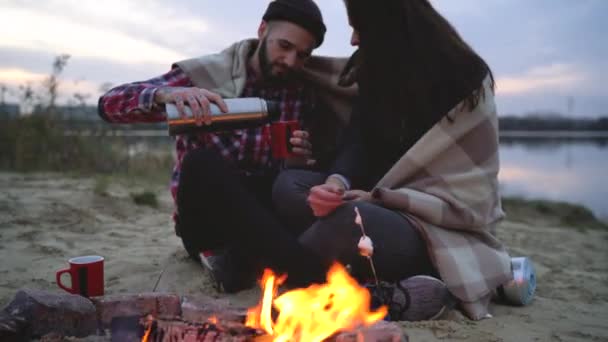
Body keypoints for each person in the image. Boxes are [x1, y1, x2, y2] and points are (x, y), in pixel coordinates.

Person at [272, 0, 512, 321]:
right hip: (372, 203)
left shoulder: (465, 79)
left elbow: (470, 199)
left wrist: (380, 200)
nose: (354, 40)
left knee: (348, 220)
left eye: (359, 28)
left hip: (430, 228)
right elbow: (358, 142)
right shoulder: (377, 72)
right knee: (290, 184)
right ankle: (370, 280)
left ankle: (281, 273)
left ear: (387, 27)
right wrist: (335, 183)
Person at [98, 0, 356, 292]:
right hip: (206, 222)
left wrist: (299, 162)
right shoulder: (207, 74)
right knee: (201, 163)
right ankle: (309, 275)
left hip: (263, 216)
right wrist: (166, 95)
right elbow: (108, 105)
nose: (290, 60)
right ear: (262, 30)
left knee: (291, 186)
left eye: (302, 55)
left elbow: (310, 166)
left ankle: (243, 263)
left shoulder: (303, 92)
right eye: (283, 45)